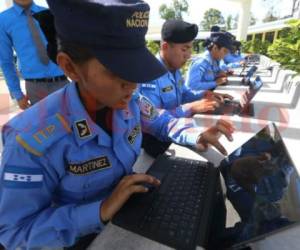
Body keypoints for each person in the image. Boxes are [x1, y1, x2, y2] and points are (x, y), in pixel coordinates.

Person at [0, 0, 235, 249]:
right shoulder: (30, 140)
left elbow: (162, 122)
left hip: (128, 214)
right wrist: (99, 210)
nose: (132, 84)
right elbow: (14, 233)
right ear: (70, 66)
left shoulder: (129, 100)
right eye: (116, 71)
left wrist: (195, 134)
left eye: (134, 67)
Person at [139, 19, 233, 157]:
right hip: (157, 141)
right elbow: (156, 122)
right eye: (184, 49)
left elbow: (184, 93)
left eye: (190, 48)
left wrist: (204, 95)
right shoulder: (148, 75)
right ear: (165, 47)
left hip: (179, 127)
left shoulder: (173, 68)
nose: (189, 55)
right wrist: (192, 108)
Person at [0, 0, 68, 110]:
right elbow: (6, 62)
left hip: (63, 82)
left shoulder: (50, 12)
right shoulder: (2, 20)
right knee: (45, 126)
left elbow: (67, 47)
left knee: (75, 123)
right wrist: (18, 94)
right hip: (35, 88)